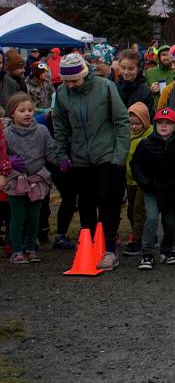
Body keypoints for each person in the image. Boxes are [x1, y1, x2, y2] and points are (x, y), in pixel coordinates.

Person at [51, 52, 131, 271]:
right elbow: (60, 126)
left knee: (108, 203)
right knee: (85, 205)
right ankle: (89, 246)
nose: (70, 85)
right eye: (66, 81)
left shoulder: (105, 87)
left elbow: (122, 122)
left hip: (106, 154)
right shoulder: (63, 93)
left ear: (84, 75)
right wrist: (60, 155)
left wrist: (118, 157)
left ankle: (110, 249)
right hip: (80, 158)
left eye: (74, 80)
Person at [130, 107, 175, 269]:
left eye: (168, 123)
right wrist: (145, 182)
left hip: (171, 190)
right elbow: (136, 165)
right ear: (155, 124)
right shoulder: (146, 144)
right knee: (152, 218)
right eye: (160, 122)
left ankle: (167, 251)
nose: (164, 126)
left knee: (170, 221)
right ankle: (146, 254)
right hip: (151, 188)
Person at [5, 93, 52, 263]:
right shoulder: (6, 133)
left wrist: (61, 160)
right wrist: (8, 161)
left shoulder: (42, 131)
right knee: (18, 216)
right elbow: (1, 154)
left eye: (30, 110)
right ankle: (17, 250)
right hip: (16, 179)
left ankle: (31, 248)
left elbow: (50, 151)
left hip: (37, 178)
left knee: (34, 216)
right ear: (12, 113)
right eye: (22, 110)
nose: (27, 113)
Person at [122, 102, 153, 256]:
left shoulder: (151, 136)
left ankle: (137, 240)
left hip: (144, 180)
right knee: (131, 210)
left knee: (139, 210)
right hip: (130, 180)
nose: (134, 127)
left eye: (137, 123)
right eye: (131, 124)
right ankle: (148, 236)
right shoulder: (127, 135)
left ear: (145, 121)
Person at [116, 50, 154, 116]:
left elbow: (149, 118)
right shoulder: (114, 87)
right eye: (123, 68)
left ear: (138, 68)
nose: (126, 72)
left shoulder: (145, 92)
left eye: (131, 69)